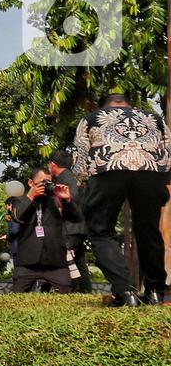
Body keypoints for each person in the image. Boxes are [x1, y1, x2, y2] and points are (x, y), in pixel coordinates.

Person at [73, 93, 171, 306]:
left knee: (100, 231)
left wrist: (81, 183)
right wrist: (164, 180)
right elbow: (168, 150)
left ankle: (126, 292)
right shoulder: (154, 118)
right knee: (149, 231)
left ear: (104, 106)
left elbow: (80, 157)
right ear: (131, 105)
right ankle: (155, 292)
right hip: (150, 172)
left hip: (108, 169)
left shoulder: (91, 118)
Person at [10, 166, 81, 294]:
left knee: (66, 297)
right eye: (41, 184)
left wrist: (67, 200)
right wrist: (31, 196)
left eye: (48, 183)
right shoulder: (19, 201)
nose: (45, 187)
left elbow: (76, 218)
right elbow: (18, 217)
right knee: (17, 299)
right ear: (31, 183)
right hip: (27, 263)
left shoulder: (56, 201)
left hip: (56, 262)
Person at [48, 151, 90, 293]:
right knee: (78, 261)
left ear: (53, 165)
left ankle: (71, 290)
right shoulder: (69, 178)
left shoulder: (65, 179)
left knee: (66, 260)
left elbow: (71, 199)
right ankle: (84, 291)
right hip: (77, 227)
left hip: (70, 228)